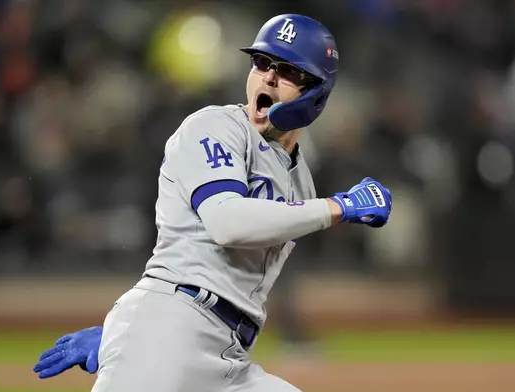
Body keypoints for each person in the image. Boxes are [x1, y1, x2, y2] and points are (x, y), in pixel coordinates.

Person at [33, 14, 392, 392]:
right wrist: (340, 207)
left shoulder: (300, 178)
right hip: (167, 332)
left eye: (286, 70)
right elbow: (227, 223)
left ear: (316, 91)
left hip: (229, 355)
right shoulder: (214, 126)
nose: (267, 77)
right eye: (261, 62)